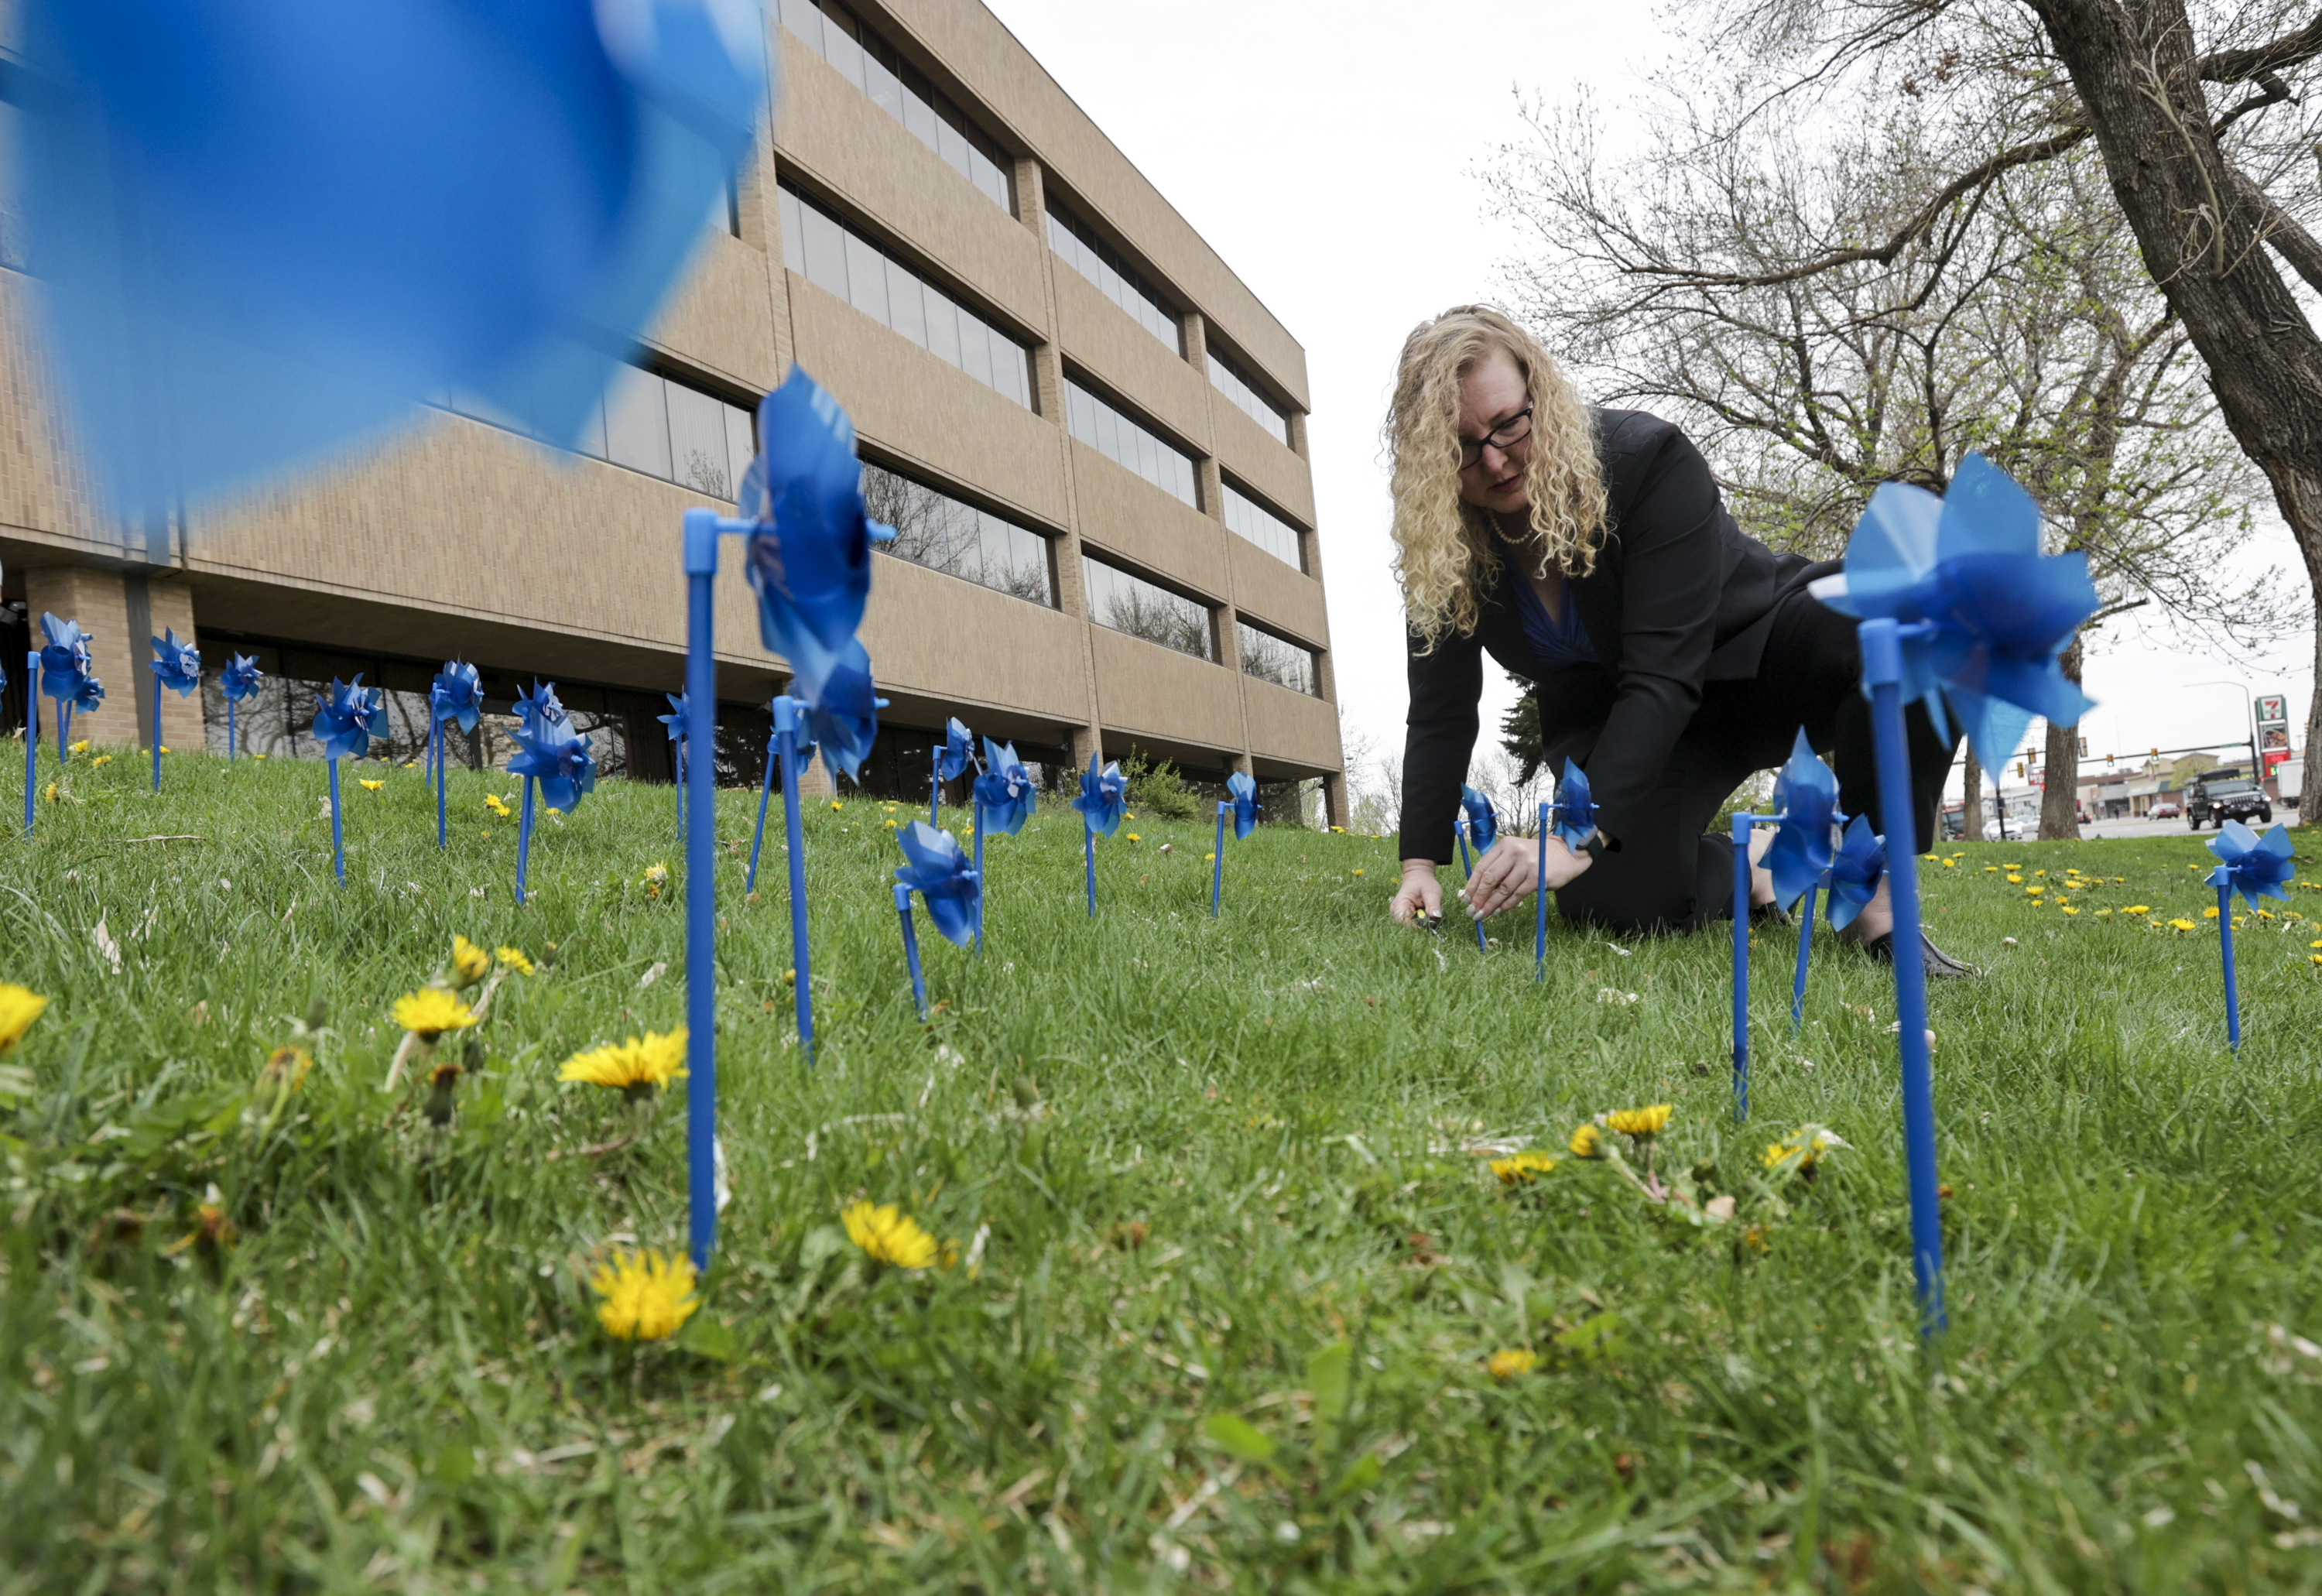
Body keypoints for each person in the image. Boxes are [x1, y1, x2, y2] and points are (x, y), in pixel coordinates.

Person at [1384, 305, 1971, 974]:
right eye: (1462, 448)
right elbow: (1440, 711)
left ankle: (1877, 902)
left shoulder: (1646, 460)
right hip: (1622, 731)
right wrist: (1419, 863)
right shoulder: (1441, 543)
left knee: (1914, 620)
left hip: (1756, 657)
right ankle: (1765, 864)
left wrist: (1574, 835)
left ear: (1539, 394)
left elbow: (1664, 671)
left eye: (1509, 424)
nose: (1494, 460)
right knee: (1617, 899)